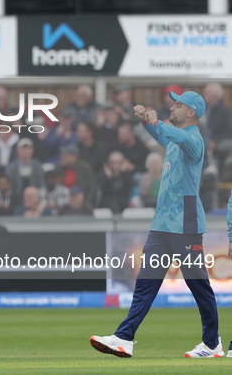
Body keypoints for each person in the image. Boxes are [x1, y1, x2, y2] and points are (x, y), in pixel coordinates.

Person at [90, 91, 223, 358]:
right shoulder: (176, 136)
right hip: (163, 222)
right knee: (146, 282)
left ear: (192, 112)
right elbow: (163, 135)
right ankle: (124, 337)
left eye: (178, 104)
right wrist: (146, 121)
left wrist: (156, 120)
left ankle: (211, 343)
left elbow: (174, 134)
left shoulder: (193, 139)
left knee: (198, 284)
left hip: (185, 223)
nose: (172, 107)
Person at [202, 82, 232, 175]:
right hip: (203, 140)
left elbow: (228, 130)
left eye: (207, 93)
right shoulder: (204, 108)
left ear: (215, 96)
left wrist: (215, 141)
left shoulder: (224, 111)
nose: (204, 96)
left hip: (217, 143)